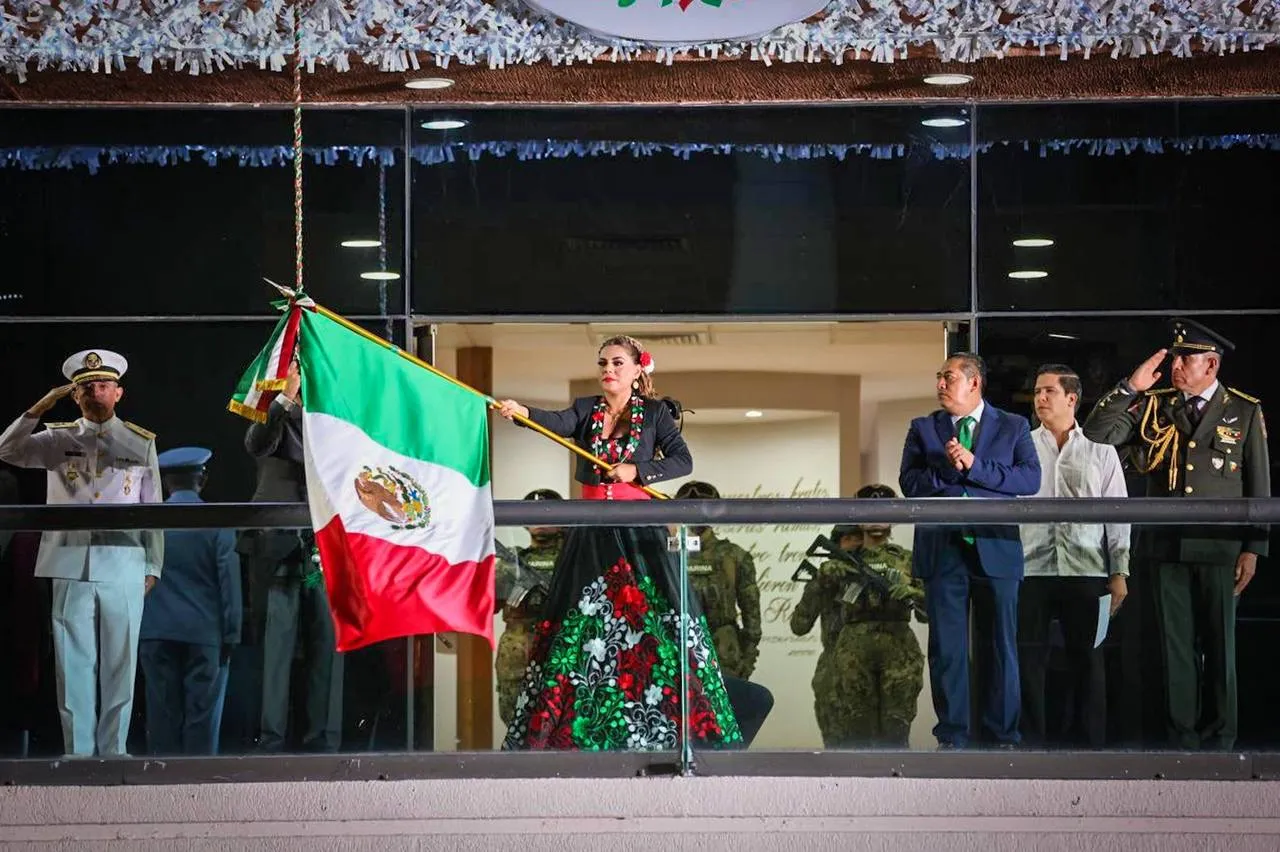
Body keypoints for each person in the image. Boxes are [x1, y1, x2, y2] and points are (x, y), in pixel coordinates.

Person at [495, 335, 741, 750]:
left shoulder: (656, 414)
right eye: (603, 363)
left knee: (650, 623)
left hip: (639, 531)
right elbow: (553, 422)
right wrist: (522, 413)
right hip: (591, 531)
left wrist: (637, 472)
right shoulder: (584, 409)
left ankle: (661, 730)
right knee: (582, 625)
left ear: (637, 369)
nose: (608, 370)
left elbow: (683, 461)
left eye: (617, 363)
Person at [1083, 319, 1269, 750]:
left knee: (1221, 648)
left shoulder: (1243, 410)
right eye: (1176, 356)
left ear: (1212, 364)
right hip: (1167, 545)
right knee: (1176, 649)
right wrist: (1131, 387)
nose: (1176, 365)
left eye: (1187, 358)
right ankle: (1181, 739)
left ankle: (1221, 737)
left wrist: (1253, 548)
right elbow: (1096, 434)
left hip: (1220, 548)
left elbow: (1258, 488)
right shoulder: (1155, 405)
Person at [0, 349, 163, 757]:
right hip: (69, 561)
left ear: (118, 393)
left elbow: (153, 507)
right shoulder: (58, 438)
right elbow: (7, 450)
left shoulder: (139, 442)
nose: (96, 392)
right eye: (86, 387)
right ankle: (79, 751)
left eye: (103, 385)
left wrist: (153, 564)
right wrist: (40, 406)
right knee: (72, 665)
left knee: (120, 663)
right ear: (75, 395)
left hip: (123, 563)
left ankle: (114, 750)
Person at [899, 352, 1041, 749]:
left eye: (948, 377)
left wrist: (975, 466)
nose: (940, 384)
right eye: (939, 377)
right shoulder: (924, 427)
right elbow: (909, 483)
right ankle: (953, 737)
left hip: (995, 548)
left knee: (1001, 647)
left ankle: (1003, 736)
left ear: (974, 383)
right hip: (943, 550)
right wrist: (949, 467)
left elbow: (1029, 479)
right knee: (947, 651)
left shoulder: (1013, 426)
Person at [1021, 364, 1130, 748]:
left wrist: (1119, 571)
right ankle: (1031, 743)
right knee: (1029, 662)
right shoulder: (1022, 447)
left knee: (1089, 661)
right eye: (1037, 392)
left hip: (1086, 569)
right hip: (1030, 569)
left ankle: (1089, 746)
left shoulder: (1101, 452)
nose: (1040, 399)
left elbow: (1118, 515)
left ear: (1072, 398)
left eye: (1048, 391)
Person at [239, 359, 342, 752]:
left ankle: (324, 744)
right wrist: (285, 396)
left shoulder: (334, 416)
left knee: (327, 649)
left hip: (324, 546)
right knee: (274, 650)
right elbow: (256, 443)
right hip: (277, 545)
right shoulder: (271, 405)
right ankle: (270, 743)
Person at [139, 447, 243, 755]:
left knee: (162, 719)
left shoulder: (150, 521)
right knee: (202, 722)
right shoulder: (216, 521)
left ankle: (159, 793)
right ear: (203, 480)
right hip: (205, 633)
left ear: (167, 484)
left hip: (155, 631)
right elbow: (229, 582)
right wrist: (233, 632)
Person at [827, 484, 926, 749]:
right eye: (869, 510)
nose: (876, 517)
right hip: (852, 653)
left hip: (900, 651)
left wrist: (912, 592)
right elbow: (806, 615)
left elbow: (929, 613)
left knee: (897, 731)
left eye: (884, 510)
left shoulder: (909, 559)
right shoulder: (841, 561)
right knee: (856, 733)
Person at [673, 481, 763, 680]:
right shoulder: (670, 555)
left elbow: (752, 615)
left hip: (724, 652)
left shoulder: (735, 557)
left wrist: (747, 659)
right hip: (676, 650)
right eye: (689, 508)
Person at [494, 488, 566, 725]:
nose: (541, 521)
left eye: (548, 513)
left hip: (560, 651)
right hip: (517, 657)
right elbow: (487, 603)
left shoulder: (573, 560)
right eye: (534, 514)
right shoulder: (514, 561)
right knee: (516, 722)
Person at [791, 523, 860, 748]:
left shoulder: (873, 574)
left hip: (869, 666)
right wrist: (820, 584)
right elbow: (799, 626)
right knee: (836, 747)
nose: (856, 544)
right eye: (849, 539)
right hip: (833, 671)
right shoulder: (825, 578)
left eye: (859, 538)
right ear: (836, 545)